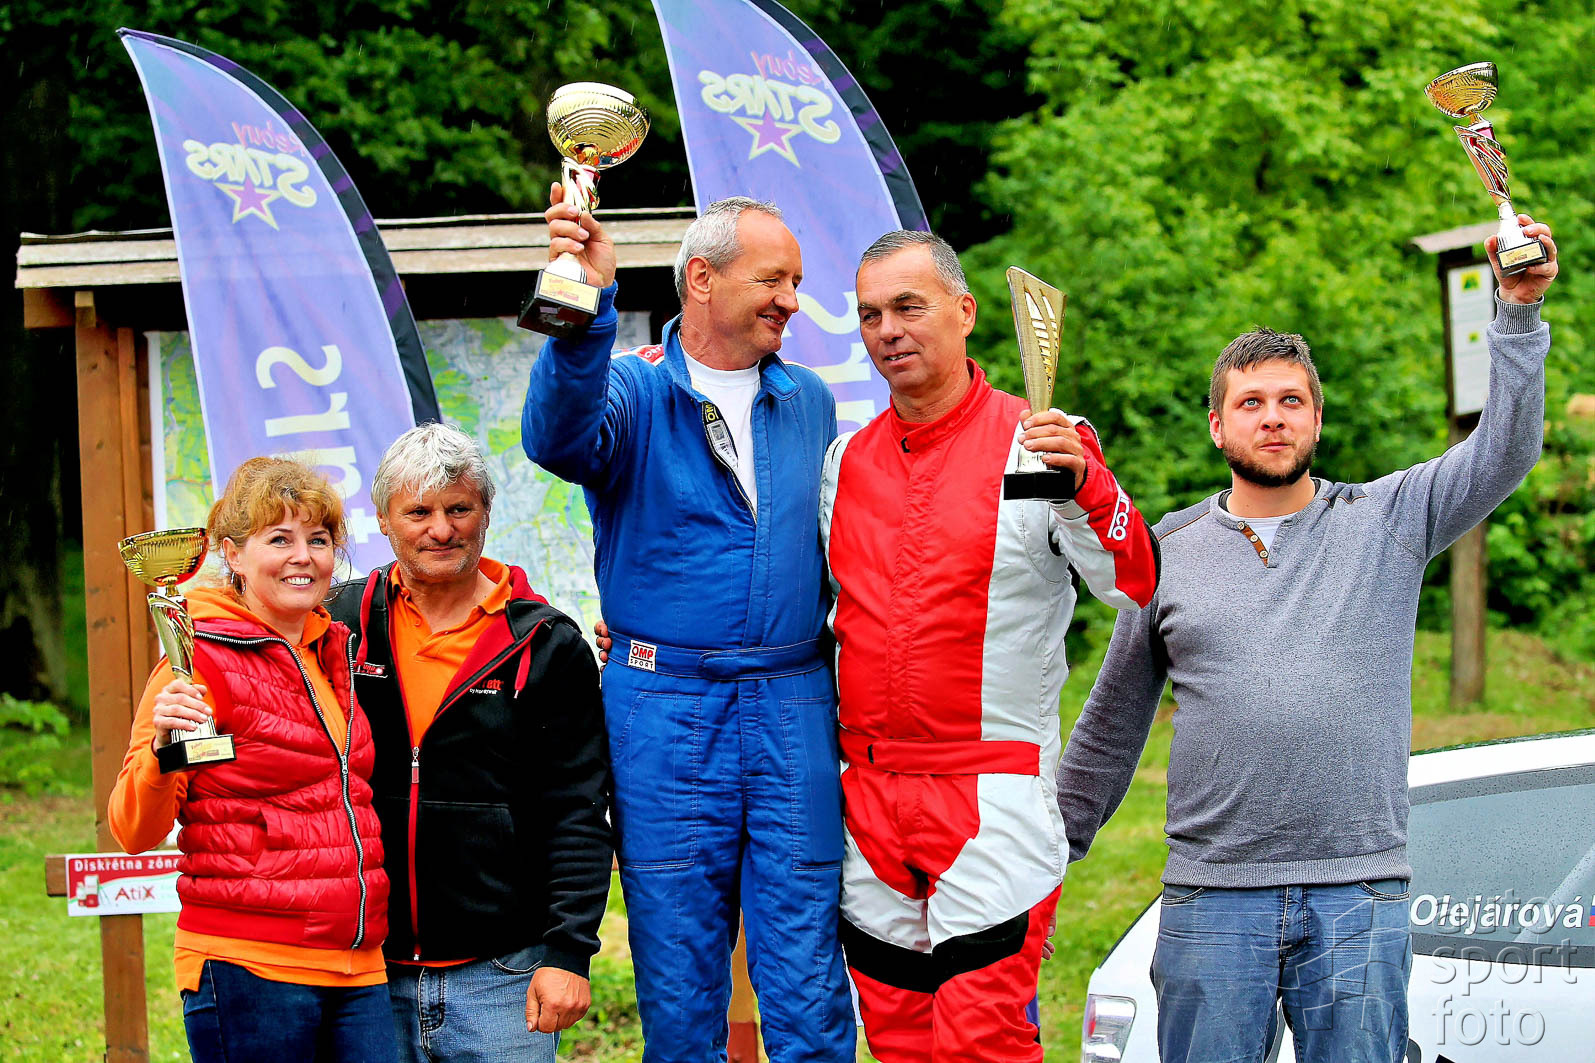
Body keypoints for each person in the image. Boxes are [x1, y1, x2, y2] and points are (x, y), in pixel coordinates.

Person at [1057, 217, 1559, 1063]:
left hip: (1357, 891)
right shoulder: (1164, 549)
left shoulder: (1388, 519)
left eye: (1291, 401)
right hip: (1212, 898)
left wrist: (1515, 311)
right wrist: (1044, 862)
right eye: (1250, 403)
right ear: (1217, 426)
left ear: (1316, 420)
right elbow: (1108, 727)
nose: (1272, 418)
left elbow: (1503, 452)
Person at [520, 188, 854, 1062]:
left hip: (792, 699)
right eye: (773, 279)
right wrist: (586, 305)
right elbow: (555, 439)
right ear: (701, 278)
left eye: (795, 281)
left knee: (810, 971)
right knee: (678, 976)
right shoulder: (630, 388)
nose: (791, 299)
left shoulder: (810, 401)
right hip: (664, 712)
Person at [819, 230, 1160, 1061]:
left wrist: (1087, 485)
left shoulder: (1040, 440)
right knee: (896, 1039)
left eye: (908, 306)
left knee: (982, 1038)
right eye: (870, 314)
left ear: (964, 312)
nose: (888, 330)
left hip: (991, 793)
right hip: (867, 797)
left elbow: (1134, 581)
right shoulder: (842, 461)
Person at [326, 423, 611, 1063]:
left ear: (485, 513)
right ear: (383, 519)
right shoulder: (338, 625)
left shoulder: (547, 645)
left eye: (459, 509)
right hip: (363, 973)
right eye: (418, 512)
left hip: (504, 975)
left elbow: (577, 807)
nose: (441, 530)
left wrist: (568, 952)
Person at [108, 457, 395, 1063]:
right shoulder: (198, 659)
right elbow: (132, 829)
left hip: (358, 965)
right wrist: (162, 754)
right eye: (279, 539)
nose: (303, 557)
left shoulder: (333, 652)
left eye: (318, 540)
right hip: (250, 965)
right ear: (233, 555)